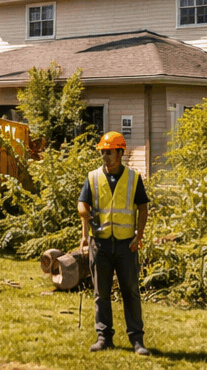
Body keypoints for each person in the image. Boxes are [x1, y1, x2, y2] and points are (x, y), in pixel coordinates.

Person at [78, 131, 150, 356]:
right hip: (100, 244)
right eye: (103, 152)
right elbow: (82, 204)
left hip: (126, 245)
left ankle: (137, 340)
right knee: (101, 293)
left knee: (131, 291)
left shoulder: (133, 178)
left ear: (121, 152)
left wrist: (138, 236)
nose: (105, 156)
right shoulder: (93, 177)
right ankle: (103, 337)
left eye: (109, 152)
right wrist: (86, 217)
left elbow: (143, 207)